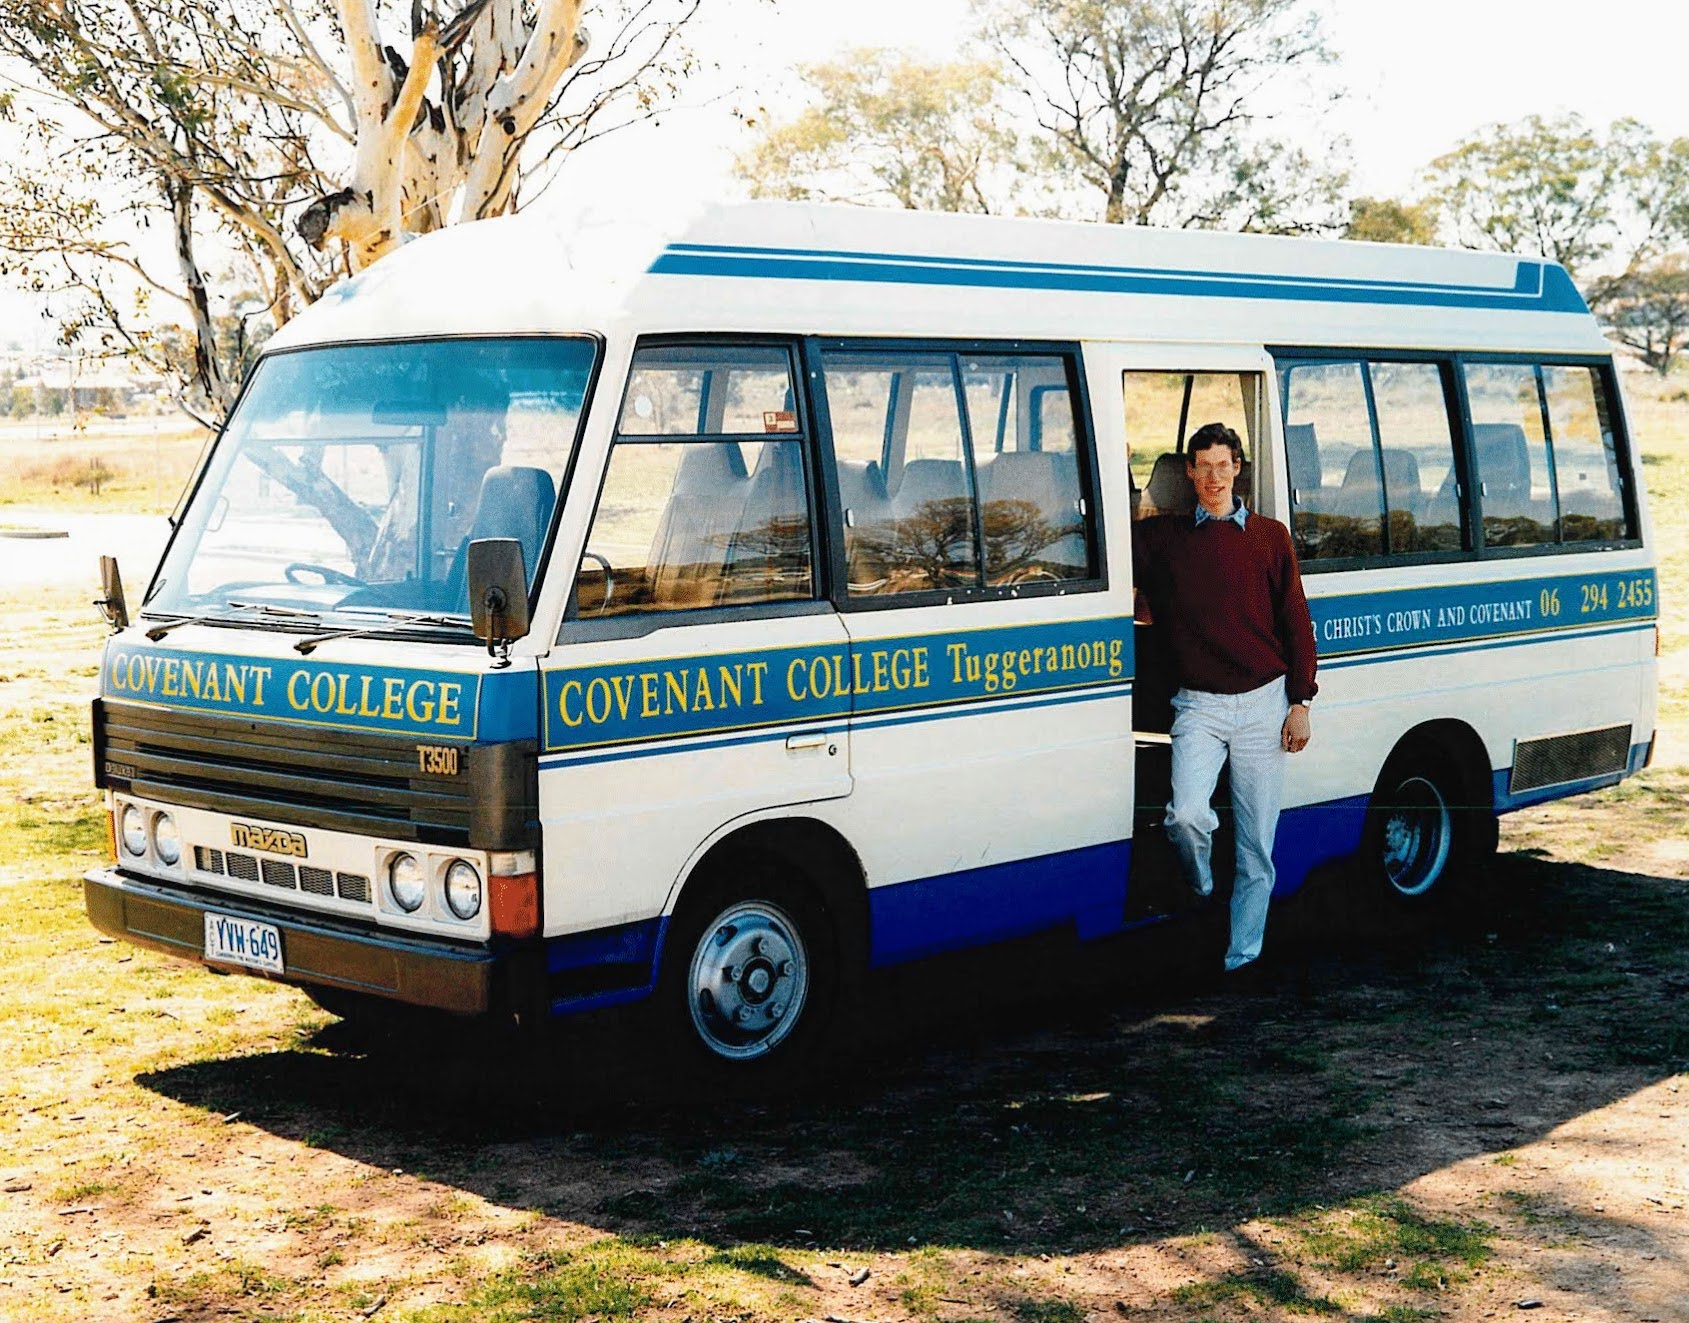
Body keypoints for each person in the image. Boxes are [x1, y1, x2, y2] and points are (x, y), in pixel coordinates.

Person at [1131, 422, 1318, 975]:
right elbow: (1122, 579)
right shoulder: (1162, 539)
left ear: (1238, 468)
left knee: (1257, 846)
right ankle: (1203, 887)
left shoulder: (1269, 537)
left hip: (1264, 703)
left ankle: (1243, 957)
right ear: (1187, 472)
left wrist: (1301, 701)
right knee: (1185, 816)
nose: (1213, 477)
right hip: (1199, 706)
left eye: (1223, 465)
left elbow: (1296, 622)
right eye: (1202, 466)